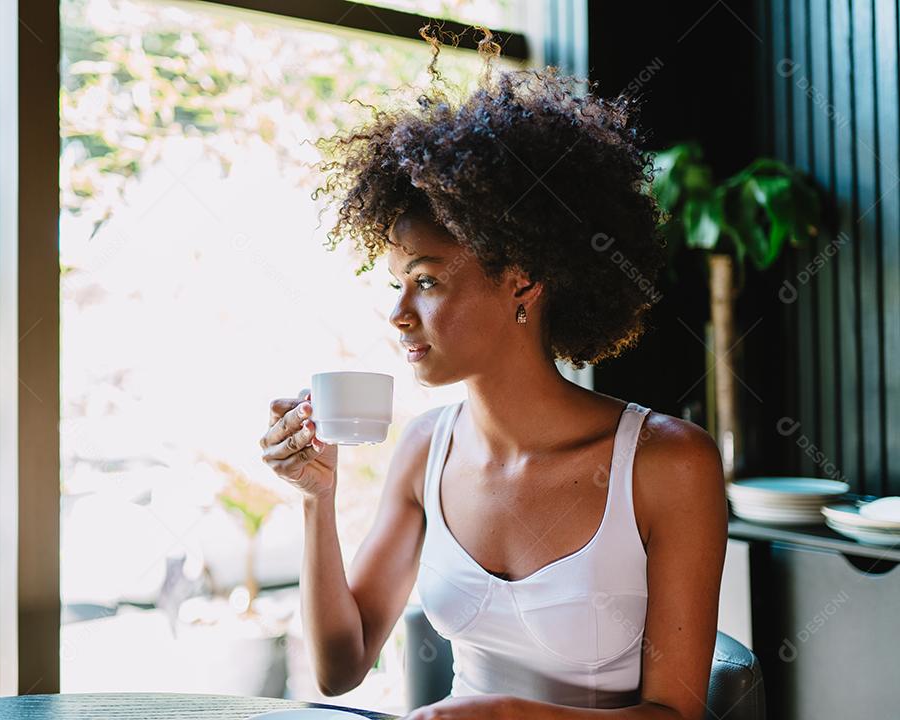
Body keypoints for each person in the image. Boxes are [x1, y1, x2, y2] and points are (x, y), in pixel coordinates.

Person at [259, 27, 727, 720]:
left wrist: (510, 717)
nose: (397, 314)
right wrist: (315, 501)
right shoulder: (424, 451)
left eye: (425, 281)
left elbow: (677, 717)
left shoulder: (668, 464)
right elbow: (339, 667)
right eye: (395, 284)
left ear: (524, 278)